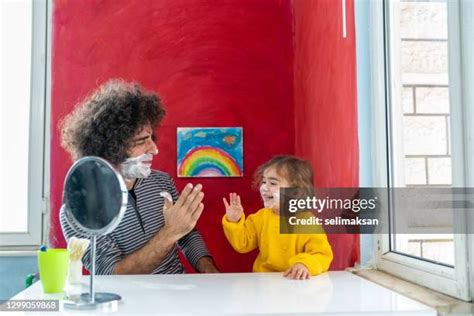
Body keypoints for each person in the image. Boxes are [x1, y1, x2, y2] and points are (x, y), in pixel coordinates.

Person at [59, 79, 218, 274]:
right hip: (128, 301)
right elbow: (112, 274)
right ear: (111, 148)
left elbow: (186, 233)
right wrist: (169, 233)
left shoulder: (162, 182)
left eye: (151, 138)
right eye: (142, 141)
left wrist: (211, 272)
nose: (155, 149)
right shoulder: (79, 211)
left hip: (179, 294)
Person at [222, 155, 333, 280]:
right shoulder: (261, 217)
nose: (264, 187)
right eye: (264, 182)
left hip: (294, 283)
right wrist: (234, 220)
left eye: (273, 183)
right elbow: (242, 244)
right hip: (264, 282)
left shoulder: (306, 221)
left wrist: (304, 264)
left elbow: (322, 254)